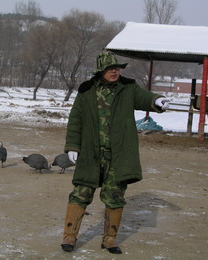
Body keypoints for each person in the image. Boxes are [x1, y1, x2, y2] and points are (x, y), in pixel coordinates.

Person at [61, 51, 169, 254]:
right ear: (101, 70)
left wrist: (156, 100)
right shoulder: (86, 91)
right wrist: (73, 147)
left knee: (115, 196)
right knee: (81, 193)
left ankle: (109, 239)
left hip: (118, 155)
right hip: (91, 154)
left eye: (117, 68)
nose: (115, 71)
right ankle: (69, 236)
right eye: (111, 68)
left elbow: (143, 97)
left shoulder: (127, 88)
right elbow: (75, 120)